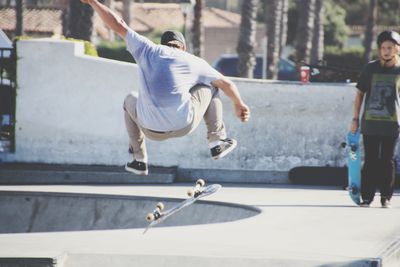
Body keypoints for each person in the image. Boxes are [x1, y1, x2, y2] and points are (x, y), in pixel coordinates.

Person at [80, 0, 250, 175]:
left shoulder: (147, 49)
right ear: (183, 47)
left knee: (129, 99)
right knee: (211, 85)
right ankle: (217, 141)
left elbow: (118, 24)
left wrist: (93, 2)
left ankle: (139, 160)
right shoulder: (193, 61)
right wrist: (239, 103)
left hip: (151, 130)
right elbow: (226, 84)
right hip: (184, 124)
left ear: (162, 43)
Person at [351, 30, 400, 208]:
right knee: (370, 160)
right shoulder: (370, 68)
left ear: (396, 49)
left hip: (392, 124)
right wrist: (355, 119)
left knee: (388, 161)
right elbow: (359, 95)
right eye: (383, 48)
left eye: (390, 47)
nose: (386, 51)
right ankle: (367, 197)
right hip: (370, 123)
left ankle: (385, 197)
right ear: (379, 49)